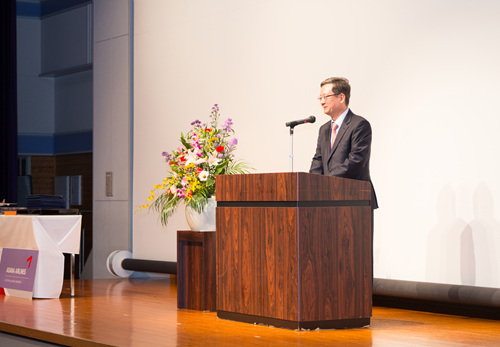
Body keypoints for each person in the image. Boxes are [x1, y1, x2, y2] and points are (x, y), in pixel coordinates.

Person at [309, 77, 378, 209]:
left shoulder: (359, 125)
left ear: (341, 97)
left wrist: (325, 182)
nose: (322, 102)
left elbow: (356, 161)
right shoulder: (324, 129)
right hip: (327, 200)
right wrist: (314, 182)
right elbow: (318, 160)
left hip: (355, 200)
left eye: (326, 97)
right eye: (320, 98)